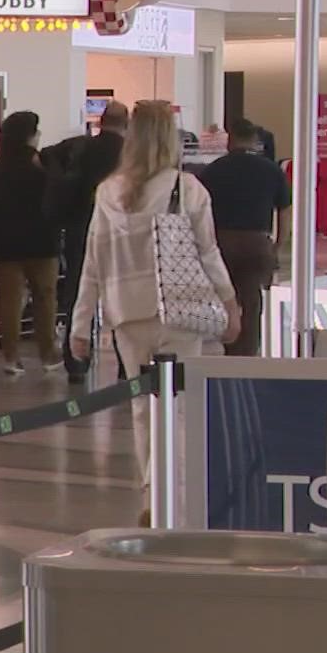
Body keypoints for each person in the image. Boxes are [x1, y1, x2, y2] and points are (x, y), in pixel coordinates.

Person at [71, 101, 241, 509]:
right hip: (179, 309)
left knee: (142, 405)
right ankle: (173, 490)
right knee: (178, 404)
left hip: (126, 313)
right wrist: (230, 303)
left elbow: (91, 262)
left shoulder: (109, 192)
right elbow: (208, 254)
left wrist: (79, 327)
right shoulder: (187, 189)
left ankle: (151, 488)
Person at [45, 100, 129, 379]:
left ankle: (76, 361)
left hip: (80, 228)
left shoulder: (80, 147)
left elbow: (45, 156)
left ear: (101, 122)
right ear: (126, 124)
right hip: (118, 232)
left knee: (79, 295)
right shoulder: (129, 154)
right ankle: (124, 361)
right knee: (121, 297)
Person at [200, 119, 292, 356]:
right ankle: (247, 353)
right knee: (251, 301)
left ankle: (227, 345)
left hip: (222, 243)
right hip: (256, 243)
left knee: (223, 296)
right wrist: (277, 245)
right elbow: (284, 211)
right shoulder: (271, 170)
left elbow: (201, 213)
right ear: (255, 141)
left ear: (231, 140)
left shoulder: (212, 170)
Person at [0, 112, 62, 375]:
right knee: (45, 297)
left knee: (11, 300)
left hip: (6, 244)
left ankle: (11, 356)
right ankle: (48, 353)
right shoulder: (41, 166)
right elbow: (53, 202)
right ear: (29, 136)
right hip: (42, 241)